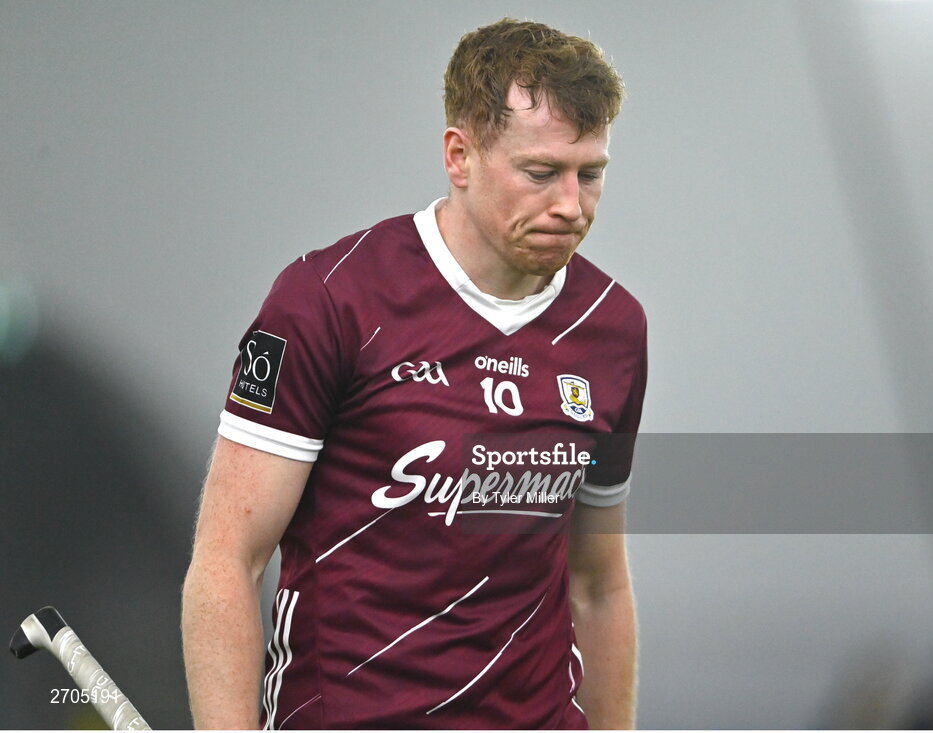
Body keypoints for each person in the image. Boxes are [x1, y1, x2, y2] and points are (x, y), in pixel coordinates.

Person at [182, 17, 646, 730]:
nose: (570, 205)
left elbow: (598, 584)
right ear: (459, 156)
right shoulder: (328, 299)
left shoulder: (613, 328)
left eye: (591, 173)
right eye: (540, 172)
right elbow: (227, 560)